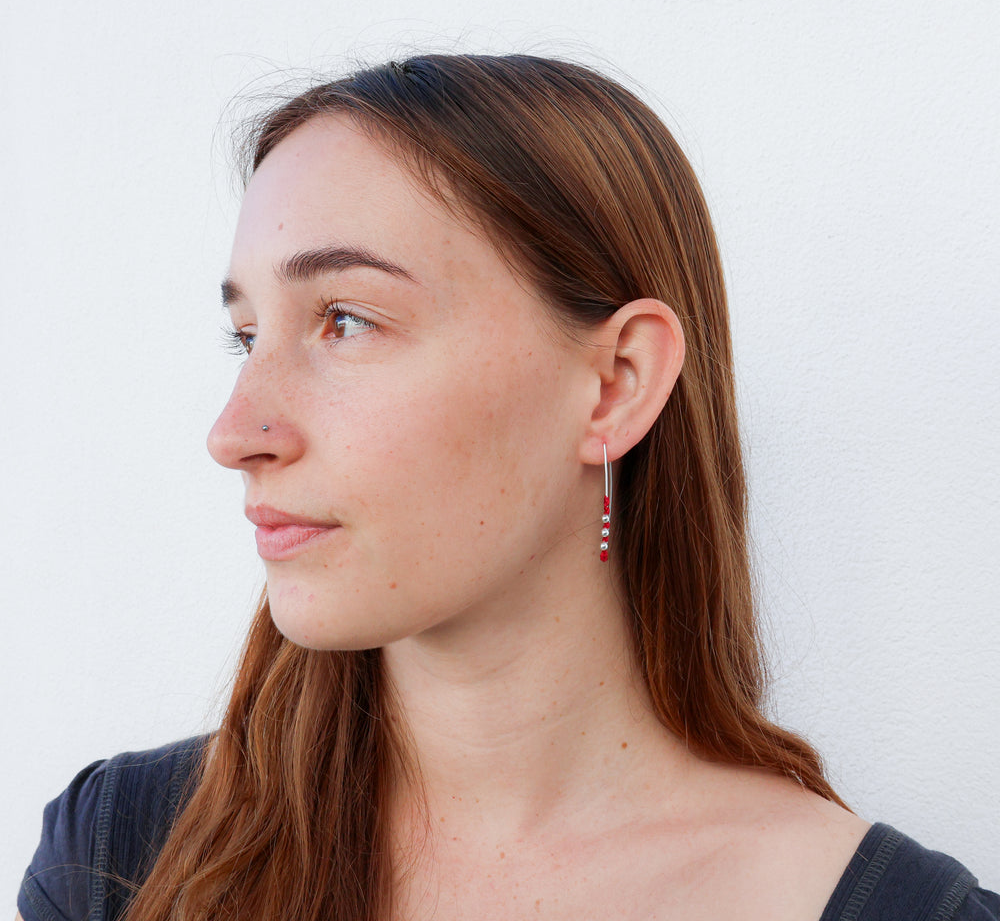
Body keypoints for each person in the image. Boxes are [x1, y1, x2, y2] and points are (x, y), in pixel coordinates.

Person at [16, 54, 999, 921]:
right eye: (246, 335)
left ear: (614, 384)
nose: (234, 434)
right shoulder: (123, 862)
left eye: (345, 320)